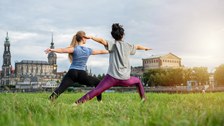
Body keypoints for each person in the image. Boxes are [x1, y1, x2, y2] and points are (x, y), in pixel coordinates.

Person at [74, 23, 151, 105]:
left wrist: (92, 37)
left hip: (111, 78)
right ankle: (143, 99)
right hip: (125, 78)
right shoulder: (128, 46)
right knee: (138, 81)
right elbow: (138, 46)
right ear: (123, 35)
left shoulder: (112, 44)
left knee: (97, 90)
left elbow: (102, 41)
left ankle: (76, 104)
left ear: (113, 36)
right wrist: (146, 48)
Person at [44, 31, 108, 102]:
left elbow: (62, 50)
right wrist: (111, 50)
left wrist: (51, 49)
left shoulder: (74, 49)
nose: (86, 39)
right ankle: (100, 101)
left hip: (72, 73)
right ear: (83, 38)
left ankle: (49, 101)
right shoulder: (88, 50)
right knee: (98, 83)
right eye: (85, 37)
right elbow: (101, 51)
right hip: (82, 74)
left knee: (61, 88)